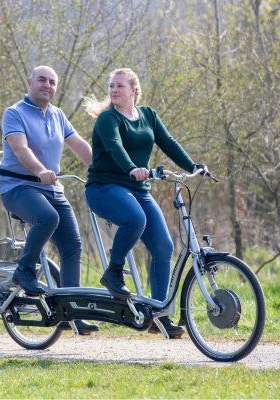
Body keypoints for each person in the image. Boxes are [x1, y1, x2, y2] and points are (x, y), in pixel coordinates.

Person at [83, 68, 204, 338]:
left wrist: (193, 165)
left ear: (134, 90)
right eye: (111, 86)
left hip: (138, 189)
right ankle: (114, 272)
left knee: (163, 246)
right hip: (104, 187)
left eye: (119, 86)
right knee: (135, 218)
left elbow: (168, 142)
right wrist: (132, 168)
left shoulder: (148, 115)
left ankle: (158, 315)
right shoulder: (107, 119)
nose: (113, 90)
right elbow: (115, 146)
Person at [0, 65, 98, 335]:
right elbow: (20, 148)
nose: (47, 85)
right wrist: (40, 170)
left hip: (51, 190)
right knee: (48, 217)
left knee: (72, 245)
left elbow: (78, 145)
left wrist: (101, 168)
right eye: (42, 80)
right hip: (18, 187)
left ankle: (71, 311)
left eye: (52, 82)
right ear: (29, 82)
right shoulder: (14, 113)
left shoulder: (58, 115)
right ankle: (24, 270)